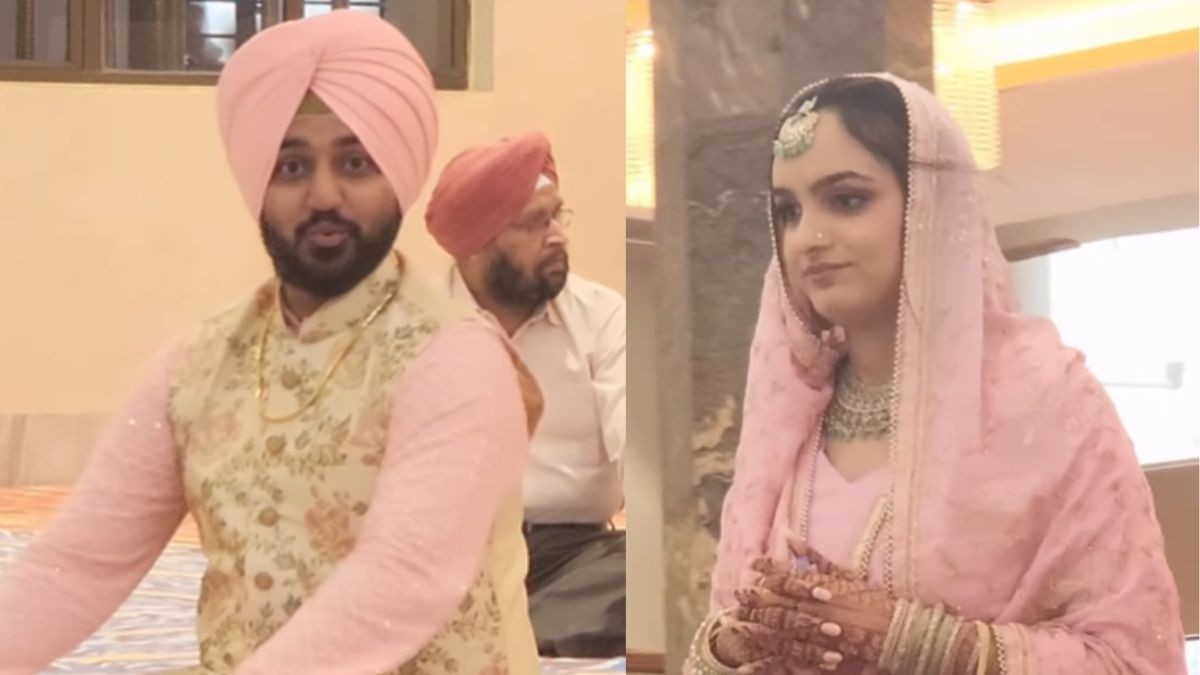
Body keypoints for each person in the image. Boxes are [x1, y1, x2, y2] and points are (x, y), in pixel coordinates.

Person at [0, 12, 542, 675]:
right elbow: (78, 562)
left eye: (354, 163)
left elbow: (403, 579)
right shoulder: (198, 365)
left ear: (397, 177)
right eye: (291, 166)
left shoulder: (455, 358)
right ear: (258, 181)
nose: (324, 195)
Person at [686, 73, 1186, 674]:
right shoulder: (789, 417)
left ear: (933, 207)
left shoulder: (1046, 402)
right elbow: (722, 629)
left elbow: (1134, 658)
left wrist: (920, 642)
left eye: (846, 200)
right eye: (789, 212)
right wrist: (732, 646)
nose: (807, 239)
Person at [425, 132, 627, 657]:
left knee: (640, 575)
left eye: (558, 215)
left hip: (576, 559)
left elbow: (637, 450)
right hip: (451, 562)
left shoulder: (603, 318)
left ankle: (493, 639)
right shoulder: (416, 329)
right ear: (476, 244)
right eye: (535, 223)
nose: (558, 235)